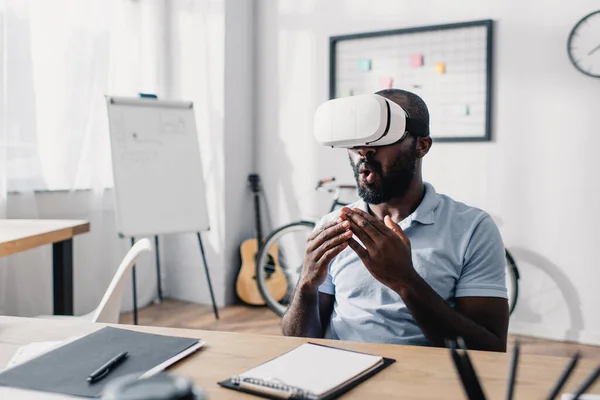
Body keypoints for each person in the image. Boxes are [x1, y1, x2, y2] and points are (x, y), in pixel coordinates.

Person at [281, 88, 509, 352]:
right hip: (341, 374)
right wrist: (307, 285)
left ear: (421, 145)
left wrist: (405, 280)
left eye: (381, 138)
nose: (364, 151)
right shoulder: (333, 226)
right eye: (358, 141)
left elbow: (490, 349)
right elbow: (296, 341)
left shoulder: (472, 229)